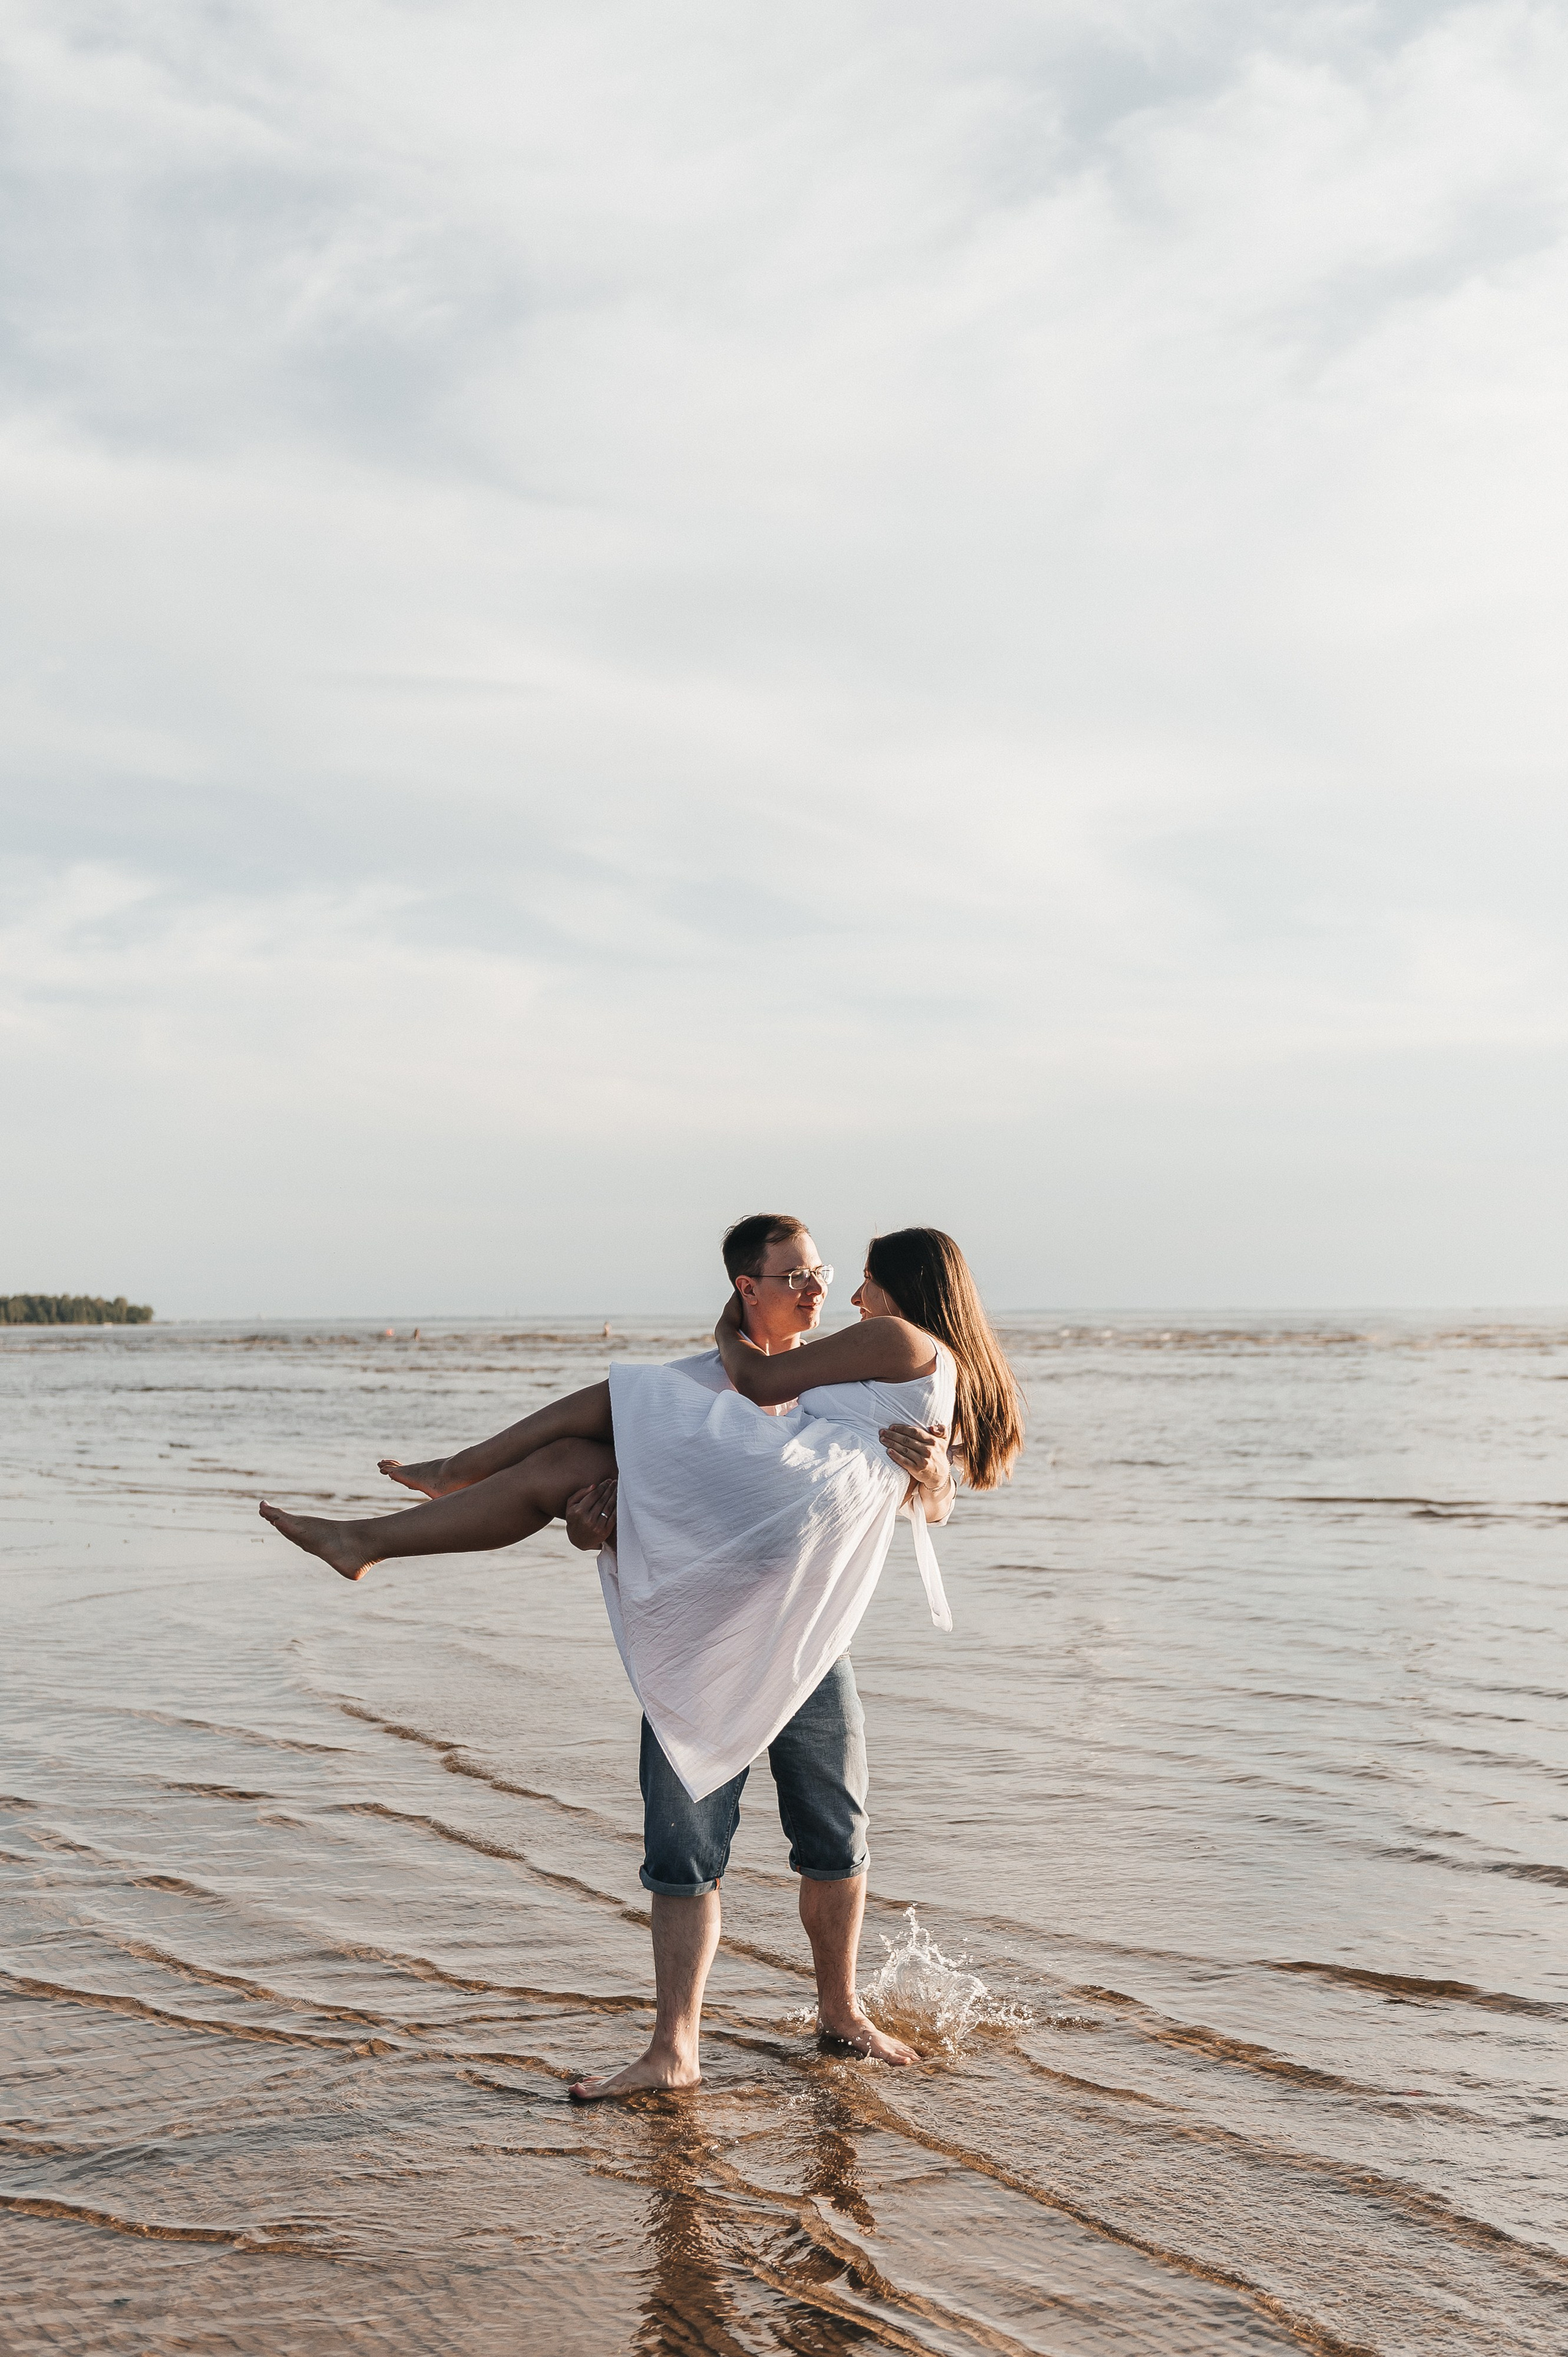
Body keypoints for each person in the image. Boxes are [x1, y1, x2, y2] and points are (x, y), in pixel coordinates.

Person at [258, 1216, 1023, 2097]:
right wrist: (603, 1527)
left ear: (904, 1287)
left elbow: (890, 1485)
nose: (835, 1293)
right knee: (684, 1848)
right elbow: (816, 1466)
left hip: (808, 1635)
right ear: (751, 1286)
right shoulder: (830, 1369)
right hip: (712, 1629)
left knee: (834, 1840)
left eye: (846, 1278)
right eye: (804, 1275)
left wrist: (927, 1473)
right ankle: (675, 2048)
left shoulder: (865, 1349)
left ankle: (838, 2014)